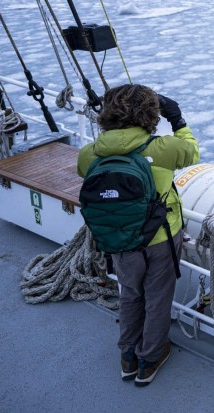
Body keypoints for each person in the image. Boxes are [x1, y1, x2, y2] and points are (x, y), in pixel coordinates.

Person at [77, 84, 198, 387]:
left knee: (130, 294)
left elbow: (86, 172)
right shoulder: (163, 148)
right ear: (151, 115)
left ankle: (128, 356)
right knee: (158, 299)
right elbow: (191, 152)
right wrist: (178, 119)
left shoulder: (89, 153)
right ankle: (150, 358)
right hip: (160, 239)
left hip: (119, 242)